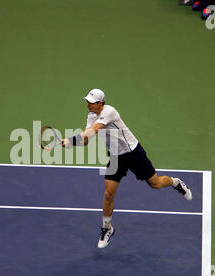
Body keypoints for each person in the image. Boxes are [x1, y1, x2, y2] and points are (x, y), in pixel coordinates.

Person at [61, 89, 193, 249]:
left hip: (133, 152)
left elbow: (94, 130)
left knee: (155, 183)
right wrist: (71, 143)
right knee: (108, 193)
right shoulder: (91, 116)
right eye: (87, 101)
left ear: (100, 103)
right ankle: (107, 228)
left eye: (91, 101)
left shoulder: (109, 111)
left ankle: (175, 182)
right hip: (116, 157)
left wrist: (70, 139)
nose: (88, 104)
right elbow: (87, 138)